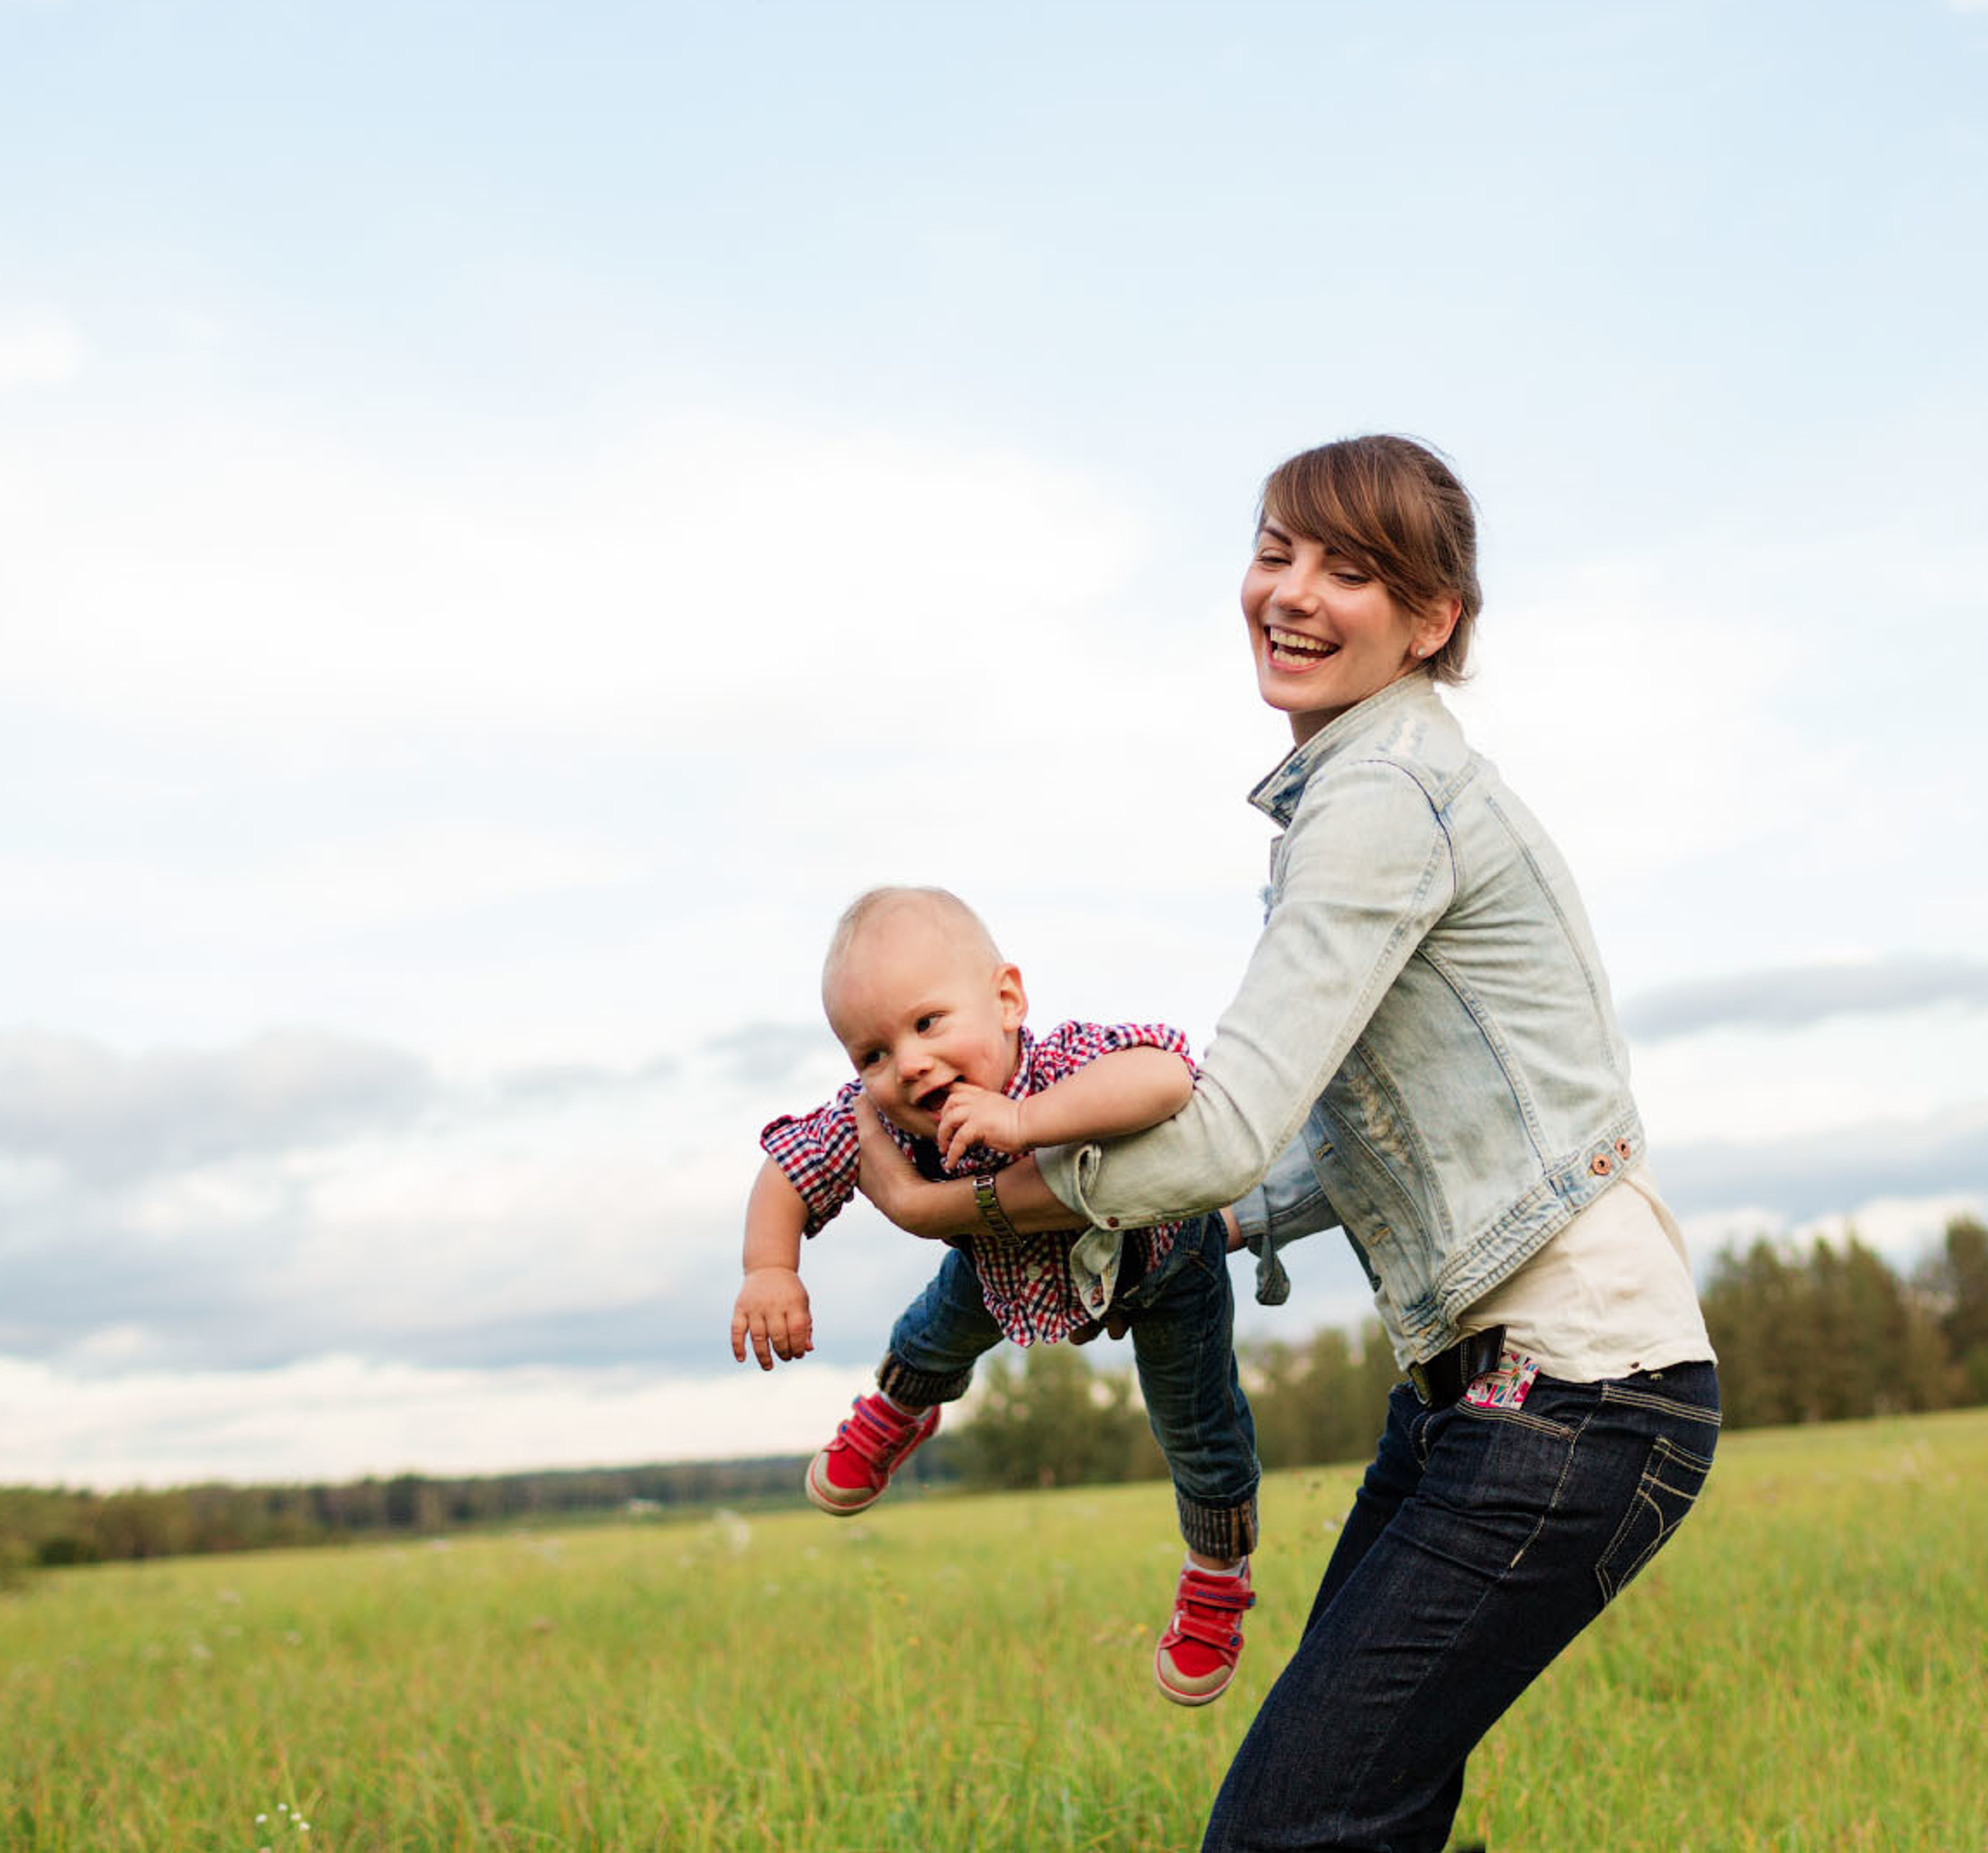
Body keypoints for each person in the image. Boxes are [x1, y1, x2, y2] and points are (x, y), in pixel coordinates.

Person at [851, 436, 1719, 1852]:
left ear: (1434, 621)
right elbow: (1335, 1136)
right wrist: (1202, 1229)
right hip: (1491, 1398)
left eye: (1351, 570)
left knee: (1287, 1834)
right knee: (1362, 1819)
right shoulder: (1377, 790)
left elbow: (1229, 1119)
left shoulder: (1381, 803)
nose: (1292, 594)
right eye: (1275, 552)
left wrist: (984, 1208)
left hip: (1571, 1396)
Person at [729, 884, 1262, 1705]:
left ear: (1007, 999)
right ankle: (903, 1410)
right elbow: (790, 1169)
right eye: (870, 1053)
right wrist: (771, 1267)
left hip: (1160, 1268)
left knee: (1197, 1427)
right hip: (1001, 1268)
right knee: (932, 1329)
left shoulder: (1064, 1065)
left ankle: (1217, 1574)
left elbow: (1166, 1078)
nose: (906, 1064)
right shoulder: (884, 1119)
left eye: (927, 1023)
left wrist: (1029, 1122)